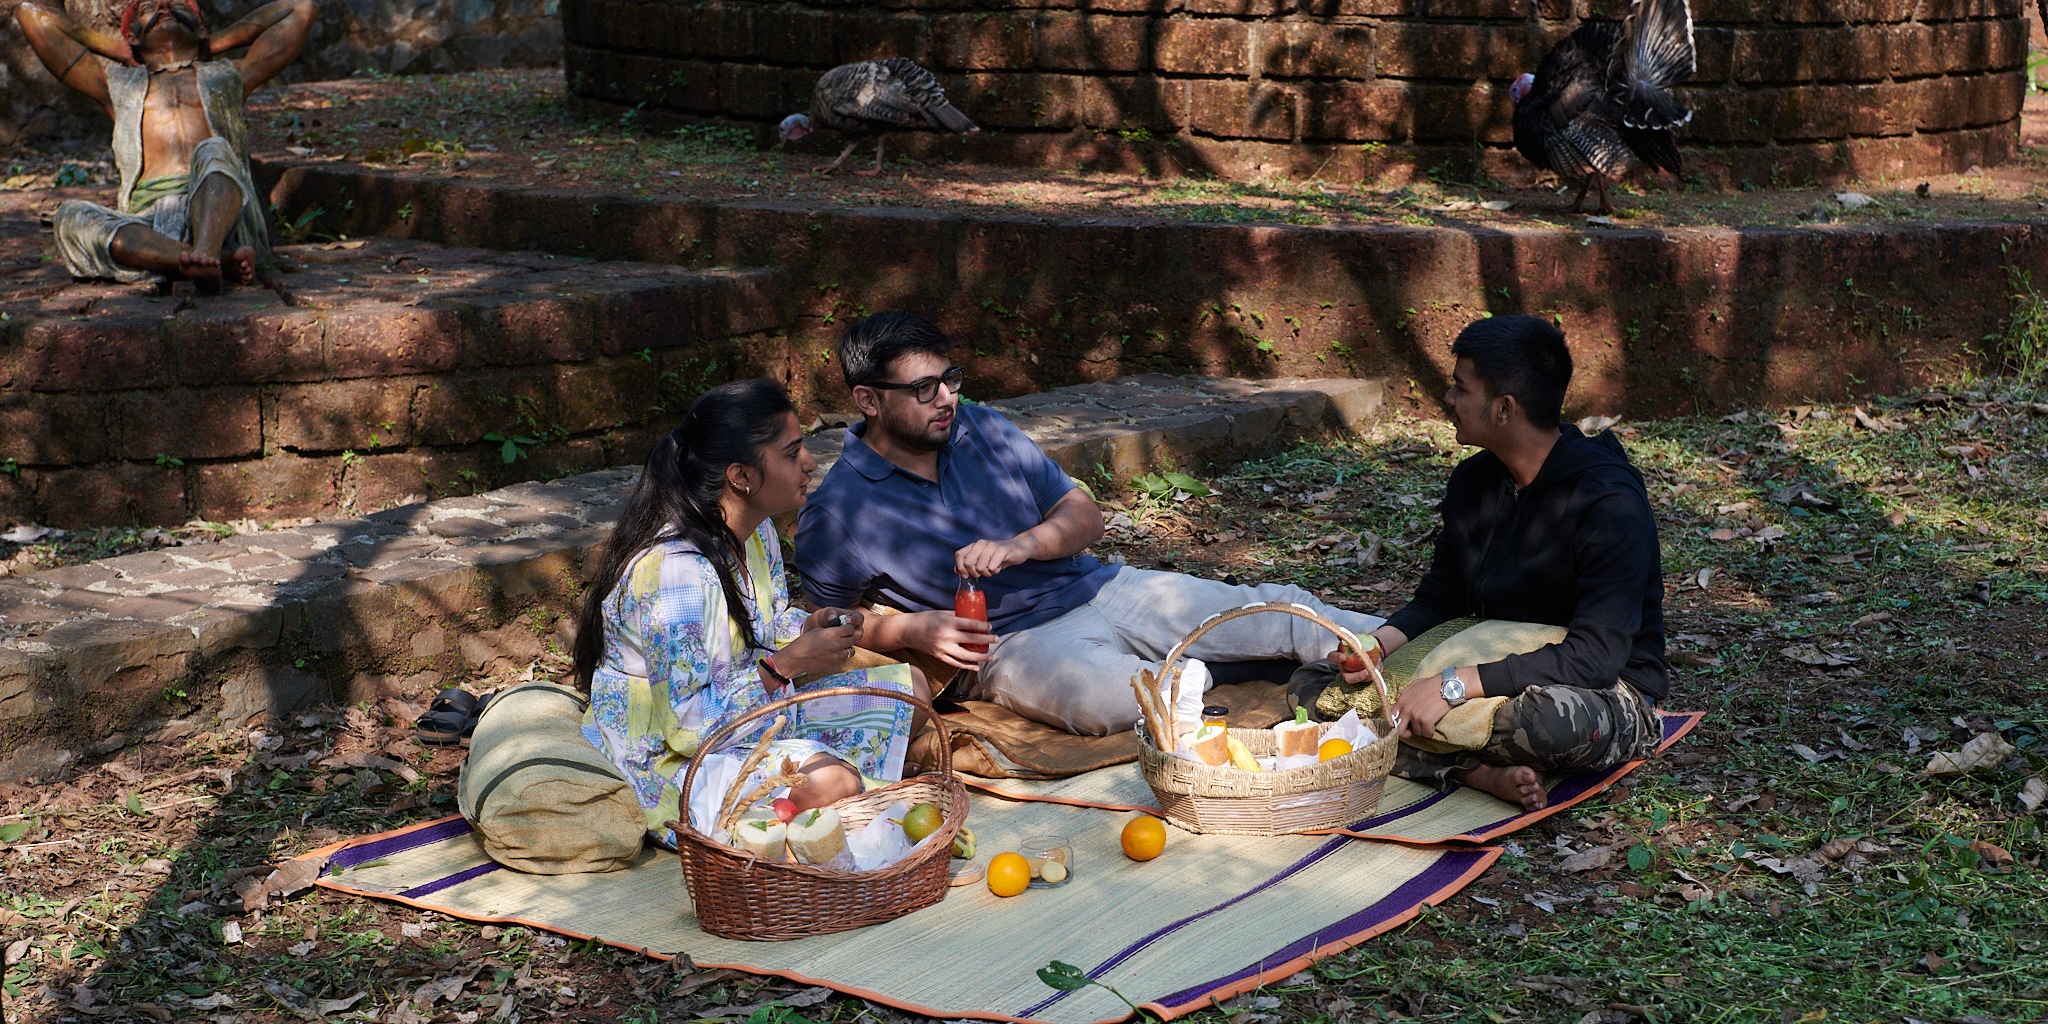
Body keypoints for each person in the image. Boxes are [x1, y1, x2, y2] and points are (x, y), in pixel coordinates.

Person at [793, 312, 1386, 738]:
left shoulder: (983, 427)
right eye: (924, 389)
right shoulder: (836, 510)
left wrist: (1023, 545)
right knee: (1102, 699)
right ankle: (1230, 673)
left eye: (951, 378)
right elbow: (834, 625)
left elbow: (1083, 514)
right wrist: (913, 631)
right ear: (869, 401)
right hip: (1013, 643)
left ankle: (1403, 645)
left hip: (1103, 586)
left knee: (1276, 608)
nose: (947, 397)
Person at [572, 379, 931, 843]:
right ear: (740, 477)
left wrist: (808, 627)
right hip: (671, 757)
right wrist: (786, 665)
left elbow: (766, 623)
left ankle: (834, 776)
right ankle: (818, 794)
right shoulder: (676, 576)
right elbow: (686, 727)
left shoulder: (755, 534)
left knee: (914, 691)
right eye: (791, 452)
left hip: (753, 712)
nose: (810, 462)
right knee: (830, 781)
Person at [1346, 314, 1668, 811]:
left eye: (1459, 388)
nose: (1448, 401)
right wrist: (1376, 647)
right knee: (1313, 692)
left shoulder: (1608, 500)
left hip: (1599, 688)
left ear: (1503, 408)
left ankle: (1427, 751)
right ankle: (1472, 771)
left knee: (1550, 724)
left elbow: (1596, 657)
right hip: (1487, 660)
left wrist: (1452, 686)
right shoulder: (1474, 481)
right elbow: (1444, 595)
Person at [12, 0, 316, 291]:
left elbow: (301, 10)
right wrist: (116, 48)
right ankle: (211, 262)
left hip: (225, 217)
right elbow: (31, 16)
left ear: (198, 28)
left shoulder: (228, 75)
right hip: (148, 227)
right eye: (149, 9)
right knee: (70, 216)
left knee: (213, 149)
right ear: (133, 35)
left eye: (177, 7)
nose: (163, 9)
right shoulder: (116, 84)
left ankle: (205, 251)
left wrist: (210, 44)